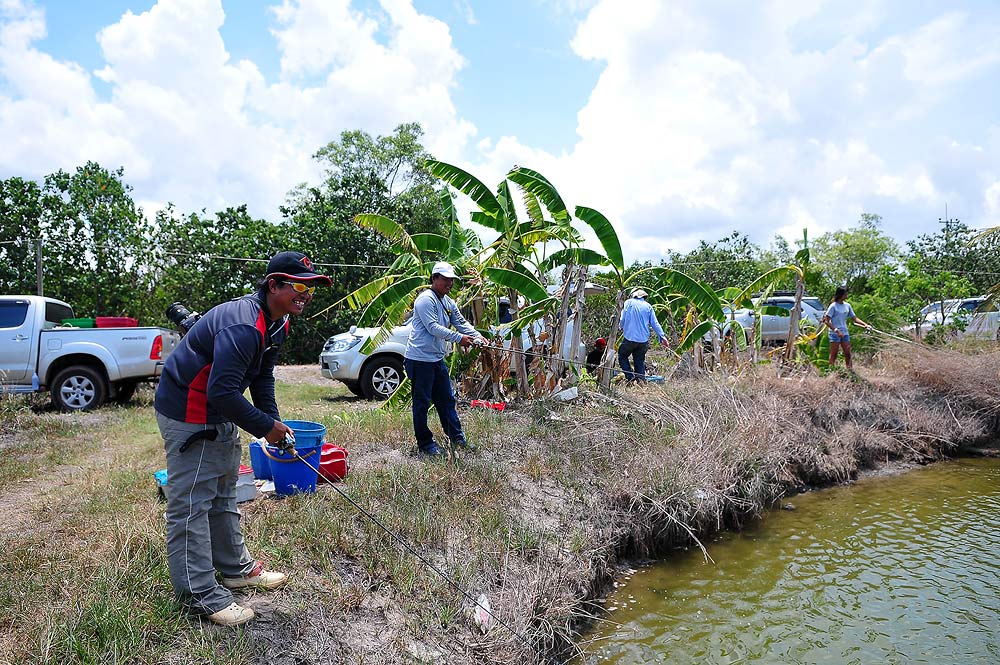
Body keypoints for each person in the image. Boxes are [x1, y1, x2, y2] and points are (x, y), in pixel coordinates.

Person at [154, 251, 331, 626]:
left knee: (223, 492)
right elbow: (221, 392)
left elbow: (262, 378)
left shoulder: (277, 322)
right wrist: (265, 429)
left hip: (218, 410)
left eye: (311, 287)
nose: (306, 294)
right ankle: (198, 594)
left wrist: (274, 422)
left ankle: (234, 568)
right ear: (274, 285)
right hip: (188, 409)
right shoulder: (244, 326)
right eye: (299, 285)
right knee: (191, 506)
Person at [404, 261, 484, 456]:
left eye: (452, 280)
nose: (449, 284)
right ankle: (425, 444)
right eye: (445, 279)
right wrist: (460, 339)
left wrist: (477, 336)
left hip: (436, 359)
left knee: (446, 400)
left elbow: (461, 322)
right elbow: (433, 327)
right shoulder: (425, 300)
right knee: (422, 403)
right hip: (420, 360)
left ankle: (457, 438)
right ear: (434, 279)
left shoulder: (449, 302)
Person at [618, 288, 669, 382]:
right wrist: (662, 336)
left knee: (622, 356)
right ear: (643, 296)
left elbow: (622, 319)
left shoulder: (628, 302)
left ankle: (630, 378)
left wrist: (620, 327)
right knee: (639, 361)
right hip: (643, 340)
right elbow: (655, 323)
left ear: (633, 295)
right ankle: (640, 380)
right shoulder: (648, 306)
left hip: (630, 338)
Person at [822, 286, 871, 371]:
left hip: (845, 332)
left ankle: (850, 372)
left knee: (848, 353)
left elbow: (855, 318)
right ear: (841, 294)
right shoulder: (833, 306)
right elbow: (826, 321)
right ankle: (830, 372)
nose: (847, 295)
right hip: (835, 333)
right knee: (834, 354)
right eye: (845, 293)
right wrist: (836, 330)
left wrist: (865, 324)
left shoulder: (847, 306)